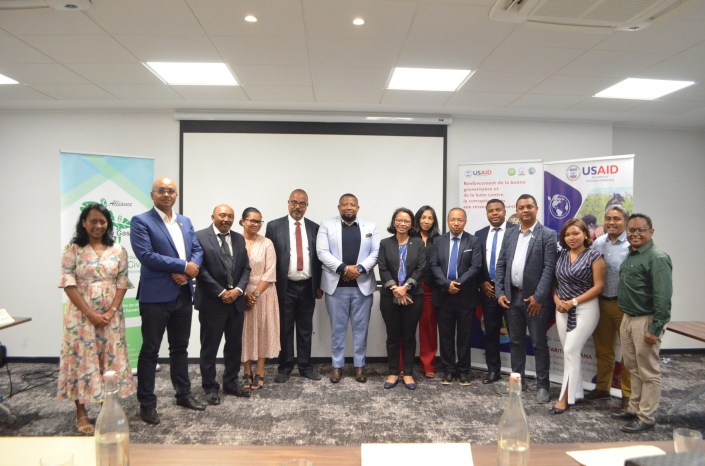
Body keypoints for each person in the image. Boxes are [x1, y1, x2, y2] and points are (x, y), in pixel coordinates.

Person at [131, 177, 204, 425]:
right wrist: (183, 265)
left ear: (176, 195)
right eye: (161, 190)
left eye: (171, 191)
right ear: (152, 194)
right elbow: (146, 255)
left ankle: (183, 394)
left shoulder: (185, 221)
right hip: (155, 297)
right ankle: (147, 404)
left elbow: (197, 250)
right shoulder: (141, 221)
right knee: (150, 351)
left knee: (180, 348)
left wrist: (188, 273)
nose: (166, 194)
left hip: (183, 293)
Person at [58, 203, 135, 434]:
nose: (98, 225)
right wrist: (90, 314)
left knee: (109, 359)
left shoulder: (118, 249)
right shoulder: (73, 249)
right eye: (93, 221)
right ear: (84, 223)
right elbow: (68, 284)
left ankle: (107, 409)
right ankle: (81, 412)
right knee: (81, 359)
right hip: (81, 317)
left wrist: (110, 312)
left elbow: (122, 283)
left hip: (112, 317)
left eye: (102, 221)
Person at [611, 213, 672, 433]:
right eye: (631, 230)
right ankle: (634, 408)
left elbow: (663, 297)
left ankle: (646, 417)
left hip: (645, 320)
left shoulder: (657, 258)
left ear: (651, 232)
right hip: (628, 318)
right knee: (632, 367)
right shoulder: (631, 254)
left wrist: (655, 328)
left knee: (648, 371)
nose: (635, 234)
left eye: (641, 230)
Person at [495, 194, 557, 403]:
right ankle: (517, 383)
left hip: (535, 301)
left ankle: (543, 386)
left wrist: (538, 297)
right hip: (512, 298)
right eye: (521, 207)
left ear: (536, 208)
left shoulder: (547, 235)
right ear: (517, 211)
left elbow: (549, 269)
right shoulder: (510, 234)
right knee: (515, 342)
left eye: (529, 206)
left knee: (539, 343)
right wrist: (500, 292)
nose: (525, 210)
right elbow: (501, 264)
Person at [317, 193, 380, 384]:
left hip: (362, 287)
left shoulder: (371, 227)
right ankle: (337, 366)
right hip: (336, 288)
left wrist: (358, 269)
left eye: (352, 204)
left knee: (361, 330)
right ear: (339, 207)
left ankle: (360, 366)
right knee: (338, 330)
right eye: (344, 204)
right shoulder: (326, 225)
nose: (348, 207)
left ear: (358, 208)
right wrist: (344, 268)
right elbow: (322, 252)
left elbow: (376, 252)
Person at [194, 204, 252, 405]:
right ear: (213, 216)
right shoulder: (199, 237)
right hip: (212, 303)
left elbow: (246, 269)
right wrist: (220, 292)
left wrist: (238, 290)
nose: (226, 219)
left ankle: (231, 382)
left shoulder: (239, 239)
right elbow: (199, 269)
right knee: (209, 348)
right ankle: (210, 387)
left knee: (234, 346)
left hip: (236, 302)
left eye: (230, 216)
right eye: (222, 215)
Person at [265, 189, 323, 383]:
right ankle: (285, 366)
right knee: (285, 328)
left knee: (306, 329)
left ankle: (305, 366)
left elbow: (318, 260)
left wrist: (319, 285)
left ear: (307, 206)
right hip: (285, 286)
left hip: (308, 286)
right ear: (288, 203)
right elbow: (269, 258)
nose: (298, 206)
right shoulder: (274, 226)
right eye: (294, 202)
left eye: (302, 203)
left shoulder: (314, 227)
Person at [549, 219, 605, 414]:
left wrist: (573, 302)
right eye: (567, 234)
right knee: (569, 353)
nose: (571, 238)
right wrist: (557, 300)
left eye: (575, 233)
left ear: (585, 234)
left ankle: (565, 398)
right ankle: (577, 392)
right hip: (561, 309)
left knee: (571, 350)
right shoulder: (561, 255)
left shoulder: (594, 256)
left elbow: (599, 286)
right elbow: (555, 283)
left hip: (585, 308)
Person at [429, 207, 482, 386]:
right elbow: (434, 265)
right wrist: (446, 284)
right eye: (453, 219)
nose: (456, 223)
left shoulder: (474, 241)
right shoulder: (438, 241)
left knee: (465, 336)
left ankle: (464, 371)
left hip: (465, 296)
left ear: (465, 221)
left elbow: (475, 267)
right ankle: (449, 370)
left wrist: (457, 283)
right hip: (444, 295)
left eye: (460, 220)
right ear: (447, 221)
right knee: (446, 335)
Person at [587, 205, 632, 410]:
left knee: (628, 353)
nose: (611, 222)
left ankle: (628, 395)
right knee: (603, 350)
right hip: (601, 303)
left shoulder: (632, 244)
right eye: (608, 218)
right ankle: (603, 388)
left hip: (624, 306)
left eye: (616, 218)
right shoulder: (599, 242)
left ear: (626, 222)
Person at [378, 208, 426, 390]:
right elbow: (382, 268)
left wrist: (406, 287)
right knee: (392, 336)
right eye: (399, 220)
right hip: (389, 296)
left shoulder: (418, 243)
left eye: (406, 221)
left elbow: (421, 268)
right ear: (393, 222)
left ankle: (407, 373)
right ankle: (392, 371)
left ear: (412, 224)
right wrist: (395, 289)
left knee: (409, 336)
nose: (402, 224)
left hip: (413, 296)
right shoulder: (385, 243)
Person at [475, 199, 517, 385]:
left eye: (498, 210)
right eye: (490, 210)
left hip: (510, 291)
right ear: (486, 213)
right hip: (489, 291)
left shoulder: (516, 231)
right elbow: (476, 263)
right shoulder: (480, 234)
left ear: (505, 211)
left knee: (515, 334)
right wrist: (481, 282)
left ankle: (518, 374)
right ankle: (493, 371)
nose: (494, 213)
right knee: (491, 333)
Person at [240, 207, 280, 390]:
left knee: (263, 331)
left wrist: (255, 295)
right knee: (243, 332)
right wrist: (243, 294)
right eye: (252, 221)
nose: (256, 224)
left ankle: (261, 370)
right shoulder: (235, 241)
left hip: (264, 292)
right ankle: (246, 370)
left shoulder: (267, 243)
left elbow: (270, 271)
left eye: (259, 221)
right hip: (240, 292)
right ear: (243, 221)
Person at [412, 206, 441, 379]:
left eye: (430, 218)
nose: (426, 221)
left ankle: (428, 365)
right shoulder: (409, 237)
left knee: (429, 327)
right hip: (410, 287)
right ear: (417, 219)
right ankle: (402, 365)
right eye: (423, 217)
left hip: (430, 288)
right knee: (406, 328)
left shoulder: (439, 240)